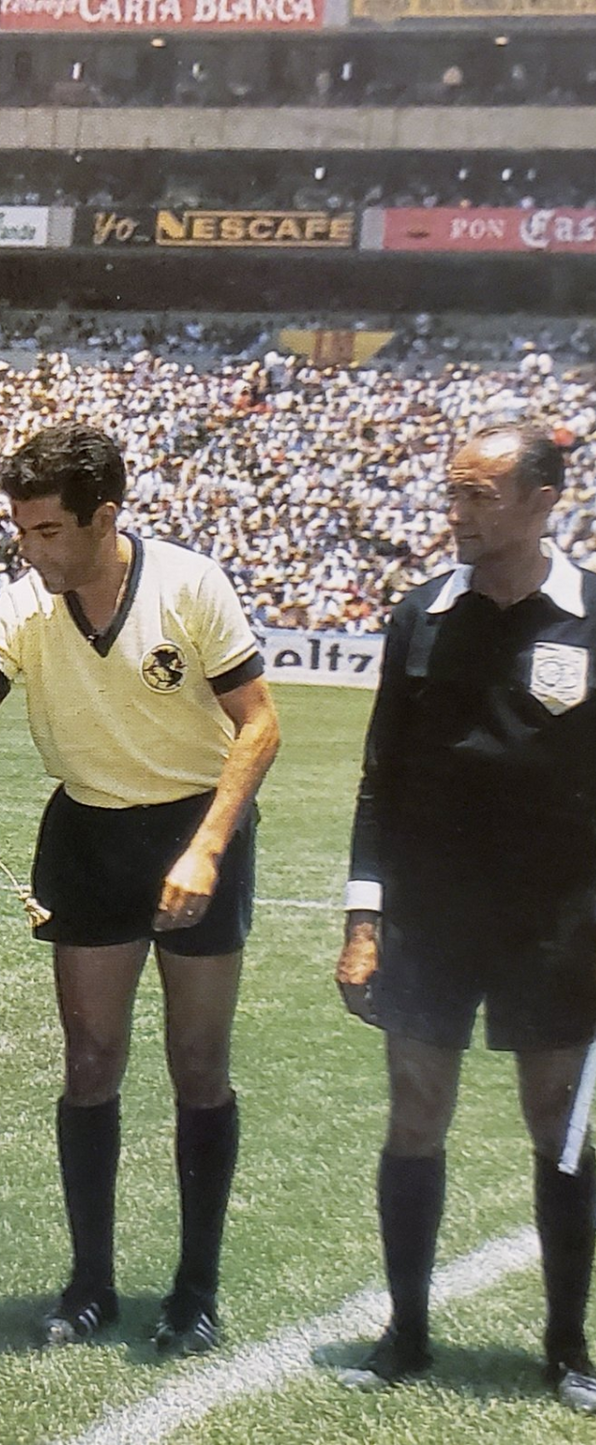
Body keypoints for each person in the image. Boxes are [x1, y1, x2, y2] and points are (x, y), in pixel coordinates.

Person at [0, 421, 280, 1354]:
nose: (31, 548)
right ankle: (89, 1281)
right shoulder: (21, 607)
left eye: (49, 530)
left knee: (197, 1065)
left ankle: (193, 1288)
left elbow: (257, 726)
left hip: (192, 827)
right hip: (87, 832)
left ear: (105, 517)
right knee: (90, 1062)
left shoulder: (189, 585)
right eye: (22, 530)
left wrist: (207, 846)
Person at [335, 423, 596, 1412]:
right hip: (429, 914)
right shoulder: (421, 615)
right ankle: (405, 1330)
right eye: (452, 491)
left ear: (540, 503)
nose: (457, 511)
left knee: (556, 1122)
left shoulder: (584, 616)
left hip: (555, 919)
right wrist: (363, 917)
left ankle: (567, 1344)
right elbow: (376, 782)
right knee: (414, 1109)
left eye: (480, 495)